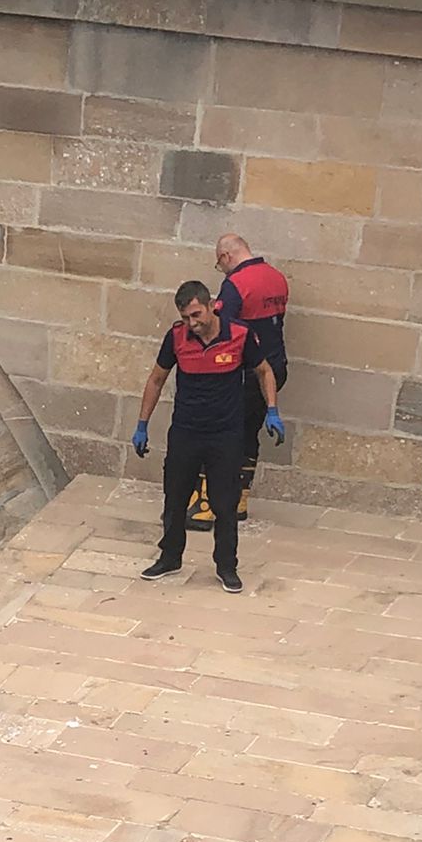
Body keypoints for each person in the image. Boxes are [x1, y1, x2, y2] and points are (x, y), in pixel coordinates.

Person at [131, 279, 282, 594]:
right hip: (186, 431)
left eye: (196, 315)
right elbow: (156, 379)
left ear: (211, 305)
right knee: (175, 499)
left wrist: (272, 409)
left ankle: (226, 566)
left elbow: (264, 370)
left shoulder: (239, 336)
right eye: (186, 317)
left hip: (225, 435)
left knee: (224, 504)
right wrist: (142, 424)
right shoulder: (176, 338)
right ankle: (170, 557)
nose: (192, 323)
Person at [188, 233, 291, 530]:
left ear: (225, 257)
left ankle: (206, 506)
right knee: (249, 433)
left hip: (245, 373)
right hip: (275, 368)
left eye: (220, 266)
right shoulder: (277, 278)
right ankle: (239, 501)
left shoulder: (235, 285)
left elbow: (221, 330)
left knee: (216, 434)